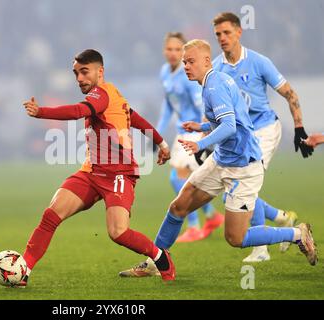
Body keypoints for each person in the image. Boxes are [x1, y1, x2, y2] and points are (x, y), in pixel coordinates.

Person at [124, 40, 318, 279]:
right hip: (221, 160)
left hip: (243, 167)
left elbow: (229, 127)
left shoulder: (214, 86)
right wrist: (202, 126)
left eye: (191, 61)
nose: (185, 66)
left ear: (207, 61)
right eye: (184, 62)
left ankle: (297, 234)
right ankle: (155, 261)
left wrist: (200, 142)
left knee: (236, 238)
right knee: (178, 206)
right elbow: (229, 119)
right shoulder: (212, 82)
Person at [20, 49, 175, 287]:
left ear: (99, 71)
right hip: (91, 171)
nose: (79, 78)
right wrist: (162, 143)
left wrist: (42, 112)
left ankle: (160, 257)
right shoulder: (112, 93)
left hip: (119, 174)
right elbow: (134, 118)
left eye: (84, 72)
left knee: (119, 233)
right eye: (76, 73)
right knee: (51, 214)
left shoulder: (101, 95)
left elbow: (78, 111)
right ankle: (23, 270)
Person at [212, 12, 314, 262]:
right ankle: (281, 218)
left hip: (265, 130)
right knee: (231, 192)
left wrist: (299, 128)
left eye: (227, 32)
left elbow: (289, 93)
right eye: (218, 34)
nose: (222, 38)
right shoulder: (216, 68)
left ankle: (261, 250)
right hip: (240, 136)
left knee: (244, 185)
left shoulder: (258, 62)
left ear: (239, 32)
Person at [153, 32, 224, 243]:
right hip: (181, 132)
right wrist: (157, 132)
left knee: (181, 178)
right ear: (164, 50)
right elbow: (168, 104)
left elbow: (201, 103)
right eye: (170, 49)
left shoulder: (188, 76)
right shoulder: (165, 72)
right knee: (190, 179)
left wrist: (204, 132)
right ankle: (211, 216)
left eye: (178, 49)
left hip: (194, 132)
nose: (173, 53)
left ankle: (194, 225)